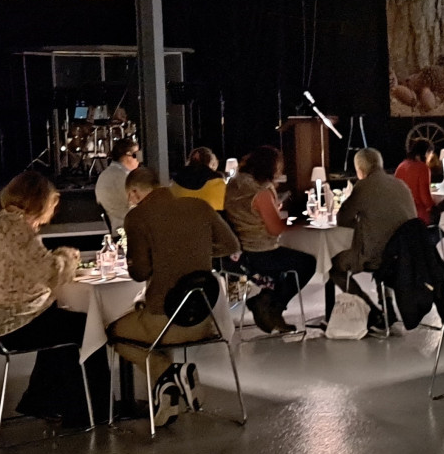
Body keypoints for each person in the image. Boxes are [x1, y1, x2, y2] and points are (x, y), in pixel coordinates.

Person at [0, 171, 109, 425]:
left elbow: (20, 268)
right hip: (9, 324)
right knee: (85, 326)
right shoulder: (15, 228)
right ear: (39, 202)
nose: (50, 216)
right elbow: (49, 272)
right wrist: (69, 256)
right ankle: (90, 411)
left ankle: (43, 400)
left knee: (56, 320)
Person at [111, 167, 241, 427]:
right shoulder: (199, 206)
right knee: (152, 331)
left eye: (129, 196)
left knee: (113, 331)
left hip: (165, 323)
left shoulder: (138, 217)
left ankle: (169, 374)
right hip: (205, 320)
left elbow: (140, 272)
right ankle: (167, 395)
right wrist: (196, 251)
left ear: (135, 192)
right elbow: (232, 246)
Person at [225, 146, 316, 334]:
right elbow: (275, 229)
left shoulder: (234, 184)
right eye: (278, 167)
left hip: (240, 251)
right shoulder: (261, 192)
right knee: (307, 263)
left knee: (290, 261)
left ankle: (268, 302)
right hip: (261, 251)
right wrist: (301, 222)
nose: (280, 172)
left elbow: (248, 214)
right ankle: (273, 306)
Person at [328, 148, 417, 329]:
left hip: (381, 256)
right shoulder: (400, 184)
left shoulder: (364, 186)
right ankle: (388, 305)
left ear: (360, 169)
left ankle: (371, 311)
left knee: (334, 267)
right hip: (405, 254)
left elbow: (342, 219)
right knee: (382, 245)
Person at [95, 138, 139, 232]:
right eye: (137, 155)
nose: (139, 160)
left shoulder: (105, 175)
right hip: (127, 229)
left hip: (117, 227)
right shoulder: (123, 178)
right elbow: (136, 204)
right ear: (128, 156)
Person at [171, 146, 227, 211]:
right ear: (211, 163)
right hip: (210, 219)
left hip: (182, 218)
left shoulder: (175, 181)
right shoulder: (217, 180)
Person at [394, 138, 435, 225]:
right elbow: (425, 197)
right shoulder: (422, 168)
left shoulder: (401, 165)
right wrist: (434, 207)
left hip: (402, 212)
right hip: (418, 214)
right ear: (426, 153)